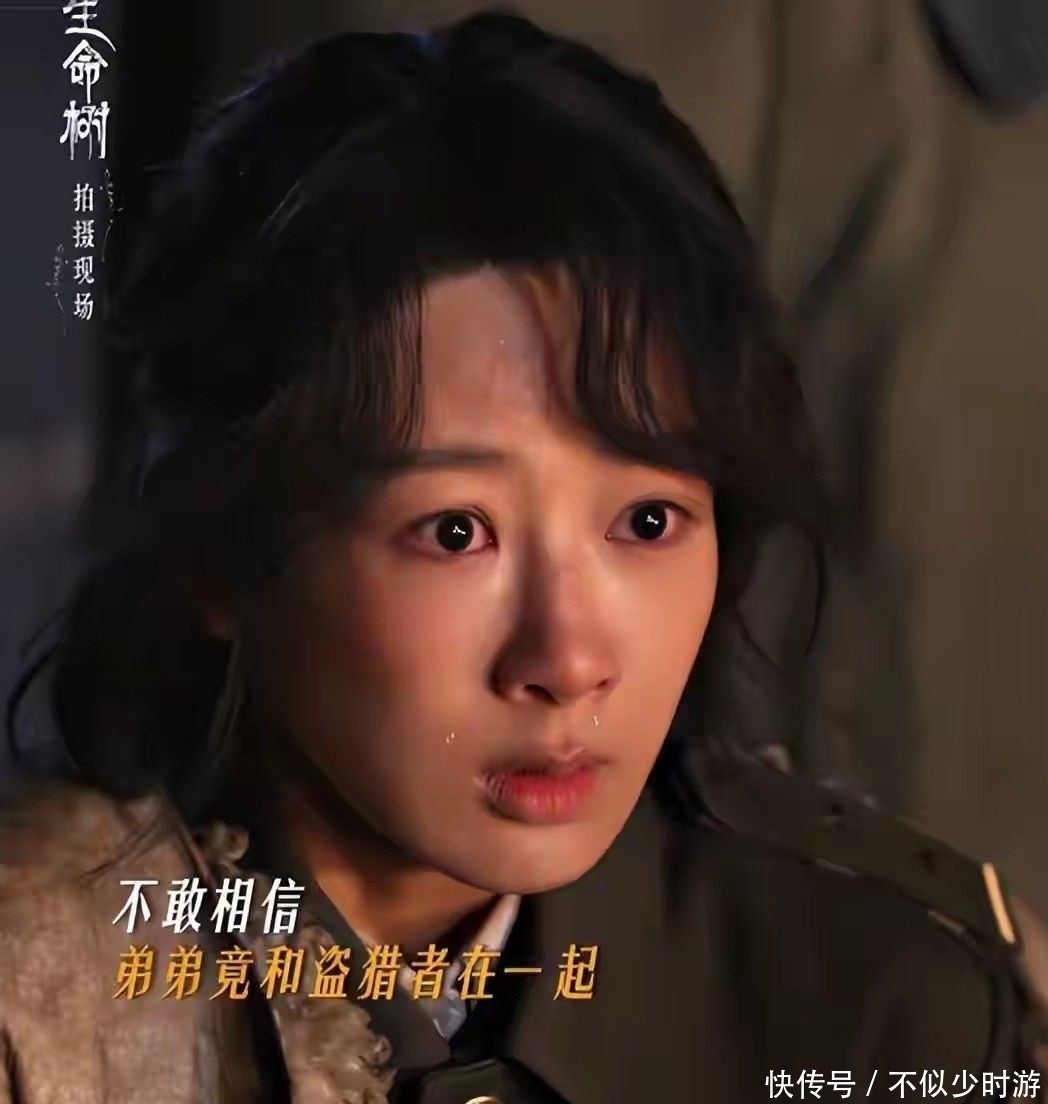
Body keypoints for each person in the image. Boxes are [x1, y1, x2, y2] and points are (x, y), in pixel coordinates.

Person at [0, 12, 1043, 1103]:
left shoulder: (886, 1000)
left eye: (647, 522)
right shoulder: (47, 1011)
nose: (569, 659)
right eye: (456, 531)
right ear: (221, 551)